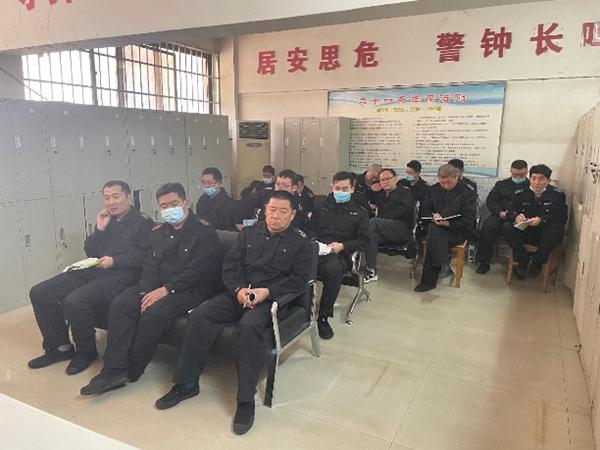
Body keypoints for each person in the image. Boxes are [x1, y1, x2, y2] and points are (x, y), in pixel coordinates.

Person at [155, 191, 313, 435]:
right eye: (272, 210)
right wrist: (238, 289)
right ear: (265, 210)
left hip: (270, 300)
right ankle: (186, 383)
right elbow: (230, 265)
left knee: (248, 327)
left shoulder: (301, 243)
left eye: (283, 212)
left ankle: (245, 400)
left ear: (292, 215)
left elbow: (299, 280)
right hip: (238, 294)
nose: (276, 216)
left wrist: (267, 291)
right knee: (200, 316)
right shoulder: (248, 234)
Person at [80, 182, 222, 395]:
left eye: (173, 204)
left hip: (190, 289)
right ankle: (113, 370)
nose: (169, 209)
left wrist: (166, 290)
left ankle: (132, 369)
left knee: (154, 312)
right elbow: (150, 264)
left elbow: (198, 270)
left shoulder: (204, 231)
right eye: (164, 206)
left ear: (186, 203)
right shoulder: (158, 232)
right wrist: (146, 291)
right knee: (122, 304)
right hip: (156, 286)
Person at [27, 180, 154, 375]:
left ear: (128, 197)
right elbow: (91, 250)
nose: (111, 202)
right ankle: (59, 348)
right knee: (40, 292)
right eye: (107, 198)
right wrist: (100, 229)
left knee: (75, 301)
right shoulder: (107, 220)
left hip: (123, 275)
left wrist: (115, 261)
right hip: (95, 269)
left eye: (116, 197)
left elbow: (146, 255)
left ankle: (86, 353)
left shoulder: (144, 223)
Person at [305, 171, 369, 339]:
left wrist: (343, 246)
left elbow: (364, 241)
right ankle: (298, 310)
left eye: (344, 188)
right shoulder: (321, 207)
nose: (340, 192)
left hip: (340, 255)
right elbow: (309, 228)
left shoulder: (359, 213)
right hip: (317, 250)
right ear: (332, 187)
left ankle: (323, 317)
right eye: (337, 188)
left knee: (333, 270)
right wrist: (314, 241)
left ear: (352, 189)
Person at [414, 164, 477, 292]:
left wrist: (448, 223)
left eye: (449, 182)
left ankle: (429, 281)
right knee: (434, 231)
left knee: (433, 237)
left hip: (456, 230)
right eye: (442, 183)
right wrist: (432, 217)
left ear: (456, 176)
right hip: (436, 227)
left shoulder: (467, 192)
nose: (446, 186)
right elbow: (424, 210)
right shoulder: (434, 189)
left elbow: (469, 220)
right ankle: (443, 265)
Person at [502, 164, 567, 279]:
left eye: (541, 179)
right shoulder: (520, 193)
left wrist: (541, 220)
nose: (537, 182)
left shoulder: (557, 195)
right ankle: (523, 259)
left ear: (548, 180)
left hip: (544, 234)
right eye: (533, 178)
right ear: (529, 178)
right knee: (506, 227)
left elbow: (561, 217)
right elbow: (510, 213)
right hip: (525, 231)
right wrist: (516, 217)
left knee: (556, 229)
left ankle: (537, 262)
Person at [476, 160, 529, 274]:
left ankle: (522, 259)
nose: (518, 177)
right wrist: (499, 212)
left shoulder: (530, 187)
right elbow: (491, 201)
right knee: (488, 226)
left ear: (526, 172)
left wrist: (520, 217)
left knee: (508, 228)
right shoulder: (502, 185)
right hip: (501, 214)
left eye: (521, 175)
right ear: (510, 171)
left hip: (518, 218)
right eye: (515, 174)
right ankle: (484, 262)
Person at [365, 168, 416, 283]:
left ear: (395, 179)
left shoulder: (405, 193)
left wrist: (383, 221)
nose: (385, 182)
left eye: (388, 179)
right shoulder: (380, 194)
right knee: (372, 236)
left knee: (374, 222)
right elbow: (364, 200)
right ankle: (371, 271)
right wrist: (371, 190)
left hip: (401, 229)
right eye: (382, 180)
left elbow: (404, 211)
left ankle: (356, 241)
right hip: (383, 229)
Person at [235, 169, 311, 231]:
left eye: (284, 185)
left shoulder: (300, 203)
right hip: (261, 231)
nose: (279, 187)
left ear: (294, 188)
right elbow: (247, 202)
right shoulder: (267, 194)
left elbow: (298, 227)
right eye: (277, 184)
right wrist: (239, 222)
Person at [195, 167, 238, 231]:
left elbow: (224, 224)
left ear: (218, 183)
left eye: (209, 182)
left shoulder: (229, 203)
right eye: (204, 182)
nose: (206, 186)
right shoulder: (202, 200)